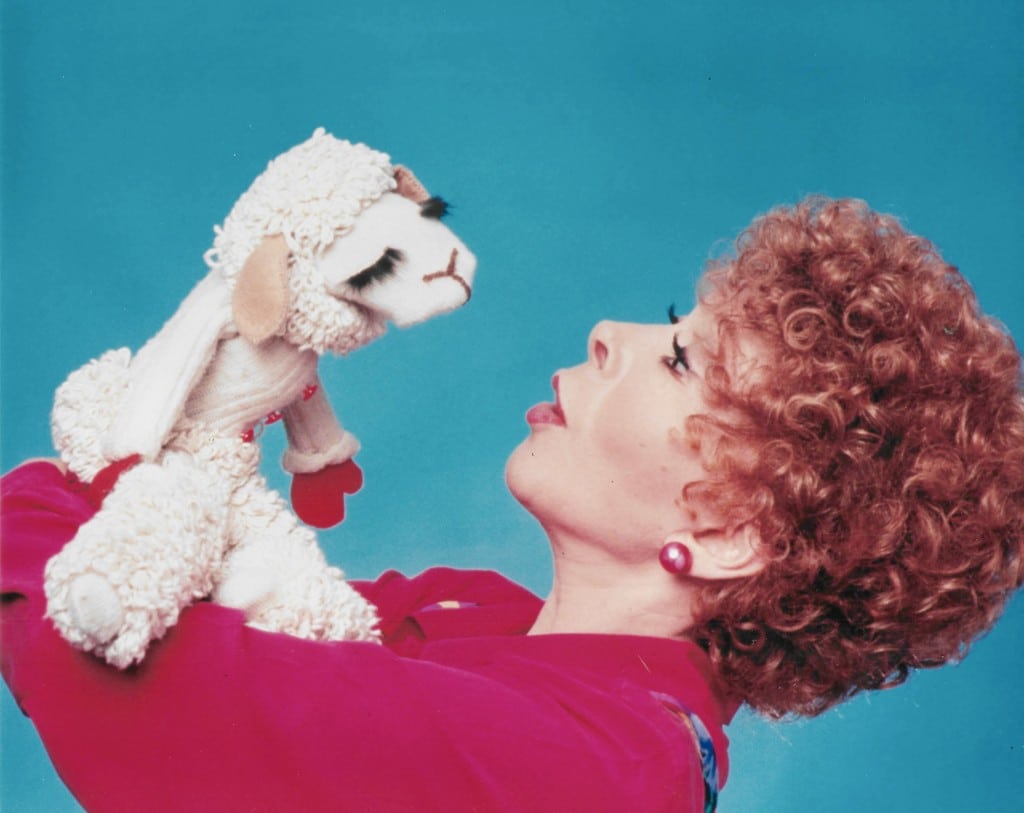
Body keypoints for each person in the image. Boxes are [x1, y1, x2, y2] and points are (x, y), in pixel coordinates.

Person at [3, 197, 1022, 812]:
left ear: (727, 530)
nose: (605, 333)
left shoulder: (587, 772)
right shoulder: (474, 609)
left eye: (680, 359)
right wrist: (204, 432)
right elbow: (223, 593)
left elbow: (123, 673)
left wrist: (89, 477)